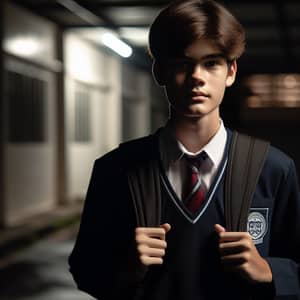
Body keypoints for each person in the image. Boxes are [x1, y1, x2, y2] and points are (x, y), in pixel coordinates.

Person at [69, 0, 300, 299]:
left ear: (230, 71)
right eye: (182, 63)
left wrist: (269, 270)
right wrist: (125, 267)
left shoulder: (273, 168)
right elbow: (84, 270)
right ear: (159, 72)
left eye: (211, 63)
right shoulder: (116, 169)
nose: (197, 77)